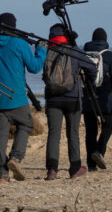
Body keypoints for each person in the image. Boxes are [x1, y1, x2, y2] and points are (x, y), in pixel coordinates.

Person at [0, 13, 45, 182]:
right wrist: (41, 51)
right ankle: (15, 157)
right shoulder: (20, 44)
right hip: (18, 98)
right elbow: (35, 67)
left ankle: (2, 174)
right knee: (26, 124)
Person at [40, 23, 97, 179]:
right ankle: (75, 168)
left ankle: (52, 170)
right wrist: (87, 83)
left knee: (53, 134)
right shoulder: (74, 50)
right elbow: (92, 68)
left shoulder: (47, 51)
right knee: (73, 134)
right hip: (73, 98)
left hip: (52, 98)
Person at [82, 26, 112, 171]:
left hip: (87, 97)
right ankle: (99, 151)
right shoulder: (108, 55)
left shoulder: (83, 53)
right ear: (105, 40)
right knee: (108, 125)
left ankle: (91, 165)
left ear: (92, 39)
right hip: (105, 98)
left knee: (90, 131)